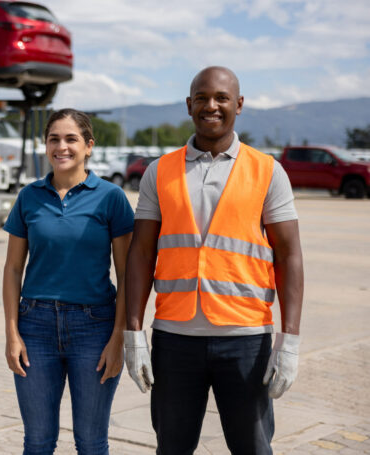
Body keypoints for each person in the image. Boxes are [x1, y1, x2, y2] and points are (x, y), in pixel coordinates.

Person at [123, 66, 304, 454]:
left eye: (222, 98)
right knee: (172, 448)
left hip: (246, 341)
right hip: (174, 341)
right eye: (202, 98)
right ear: (189, 105)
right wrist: (133, 332)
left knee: (252, 448)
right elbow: (140, 253)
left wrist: (289, 340)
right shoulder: (160, 171)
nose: (211, 106)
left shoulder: (268, 171)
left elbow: (290, 256)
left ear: (238, 105)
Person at [2, 109, 134, 454]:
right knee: (38, 442)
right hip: (35, 327)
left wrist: (119, 339)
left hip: (95, 328)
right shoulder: (29, 197)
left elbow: (127, 274)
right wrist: (12, 333)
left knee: (91, 442)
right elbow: (13, 268)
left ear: (89, 146)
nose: (61, 146)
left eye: (71, 139)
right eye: (53, 139)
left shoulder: (111, 198)